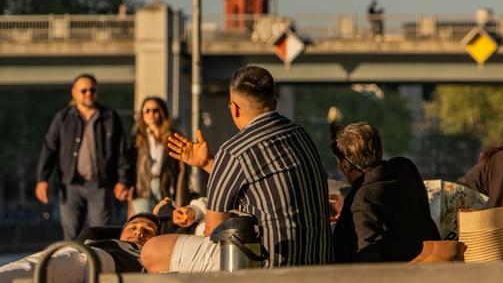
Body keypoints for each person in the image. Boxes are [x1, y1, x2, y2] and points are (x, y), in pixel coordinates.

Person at [142, 66, 332, 272]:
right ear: (274, 103)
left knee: (153, 250)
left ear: (234, 109)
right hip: (317, 257)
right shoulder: (300, 135)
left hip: (270, 262)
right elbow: (261, 180)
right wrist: (208, 164)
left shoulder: (235, 151)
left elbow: (214, 231)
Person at [36, 74, 134, 240]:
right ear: (74, 93)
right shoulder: (63, 118)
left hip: (100, 185)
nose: (88, 94)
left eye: (92, 90)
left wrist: (122, 181)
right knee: (71, 234)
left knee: (100, 233)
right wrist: (42, 179)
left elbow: (121, 151)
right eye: (84, 90)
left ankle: (98, 265)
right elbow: (49, 148)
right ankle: (73, 266)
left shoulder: (110, 117)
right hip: (70, 185)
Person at [330, 122, 439, 263]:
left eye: (338, 162)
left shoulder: (362, 200)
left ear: (345, 165)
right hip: (427, 265)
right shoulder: (405, 171)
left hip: (395, 278)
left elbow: (368, 258)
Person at [0, 213, 159, 283]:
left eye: (147, 231)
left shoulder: (153, 253)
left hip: (103, 263)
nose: (138, 232)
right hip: (80, 255)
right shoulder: (100, 238)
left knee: (39, 269)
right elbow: (92, 230)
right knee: (32, 265)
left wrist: (163, 218)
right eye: (133, 227)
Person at [130, 97, 180, 216]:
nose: (151, 114)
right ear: (142, 114)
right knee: (145, 220)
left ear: (162, 112)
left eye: (155, 110)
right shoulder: (138, 138)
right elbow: (131, 164)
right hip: (142, 187)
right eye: (147, 110)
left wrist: (180, 195)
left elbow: (181, 169)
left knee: (164, 223)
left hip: (165, 186)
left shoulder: (173, 137)